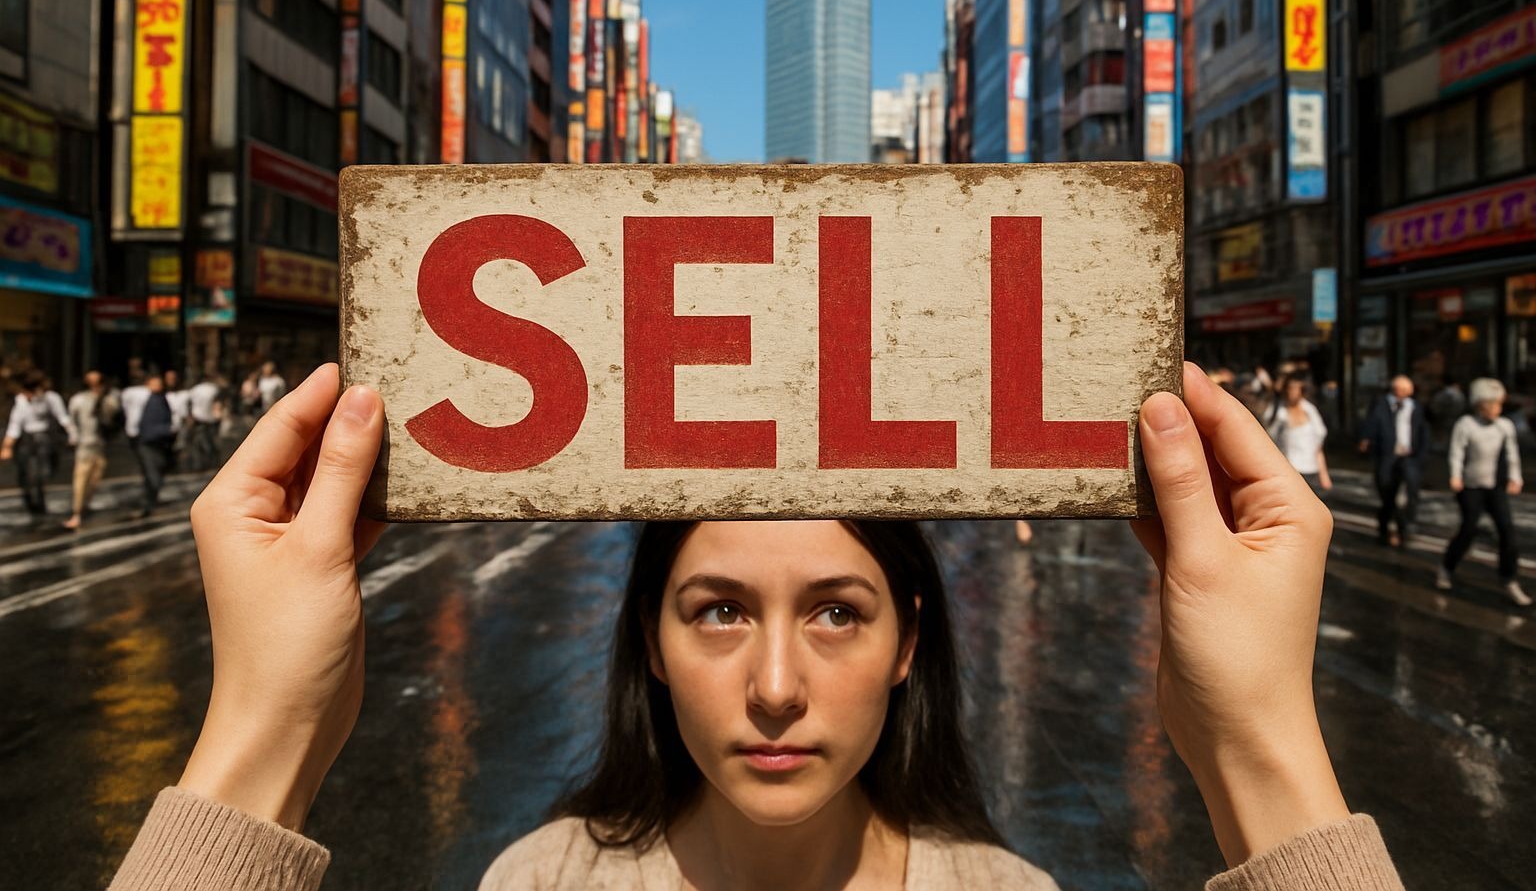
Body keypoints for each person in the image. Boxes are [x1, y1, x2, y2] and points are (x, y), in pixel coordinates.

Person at [106, 362, 1404, 890]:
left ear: (910, 643)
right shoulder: (541, 884)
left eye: (838, 614)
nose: (775, 685)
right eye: (717, 610)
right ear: (648, 640)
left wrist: (1263, 745)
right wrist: (262, 727)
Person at [1437, 379, 1529, 607]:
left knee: (1507, 531)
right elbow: (1456, 452)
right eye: (1494, 404)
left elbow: (1512, 454)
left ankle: (1509, 578)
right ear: (1481, 405)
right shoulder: (1466, 424)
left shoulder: (1504, 426)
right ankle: (1447, 568)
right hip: (1471, 486)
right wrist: (1455, 475)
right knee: (1468, 529)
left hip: (1494, 487)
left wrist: (1515, 478)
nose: (1499, 408)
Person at [1358, 375, 1429, 547]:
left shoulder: (1415, 407)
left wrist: (1421, 455)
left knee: (1410, 491)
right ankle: (1385, 527)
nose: (1402, 393)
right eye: (1400, 389)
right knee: (1387, 492)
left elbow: (1422, 431)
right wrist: (1366, 439)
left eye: (1406, 390)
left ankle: (1405, 527)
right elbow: (1372, 422)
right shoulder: (1381, 404)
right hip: (1387, 455)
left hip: (1409, 456)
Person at [0, 369, 76, 519]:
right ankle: (32, 504)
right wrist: (7, 446)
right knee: (27, 474)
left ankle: (39, 500)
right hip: (26, 441)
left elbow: (63, 417)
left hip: (44, 440)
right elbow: (15, 425)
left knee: (43, 473)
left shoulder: (50, 398)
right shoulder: (21, 401)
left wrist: (73, 435)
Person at [63, 370, 121, 530]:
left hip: (100, 445)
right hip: (84, 445)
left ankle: (84, 505)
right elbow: (71, 421)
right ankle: (77, 512)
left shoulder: (108, 399)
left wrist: (104, 397)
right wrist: (73, 437)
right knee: (80, 480)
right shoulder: (78, 400)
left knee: (95, 479)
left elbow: (113, 414)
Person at [1264, 375, 1332, 498]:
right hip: (1289, 470)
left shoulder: (1310, 410)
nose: (1293, 392)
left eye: (1296, 388)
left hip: (1310, 469)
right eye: (1290, 388)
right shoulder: (1278, 412)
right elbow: (1269, 439)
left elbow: (1318, 445)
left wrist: (1324, 473)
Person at [125, 370, 178, 519]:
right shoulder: (142, 397)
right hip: (147, 441)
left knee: (157, 471)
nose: (158, 385)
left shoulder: (162, 398)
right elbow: (134, 417)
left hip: (161, 442)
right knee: (152, 474)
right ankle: (147, 504)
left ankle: (150, 501)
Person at [186, 373, 226, 471]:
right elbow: (218, 403)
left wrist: (190, 416)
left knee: (198, 442)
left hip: (198, 418)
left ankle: (199, 464)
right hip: (212, 419)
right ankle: (212, 462)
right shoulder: (214, 389)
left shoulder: (194, 390)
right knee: (212, 441)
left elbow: (189, 404)